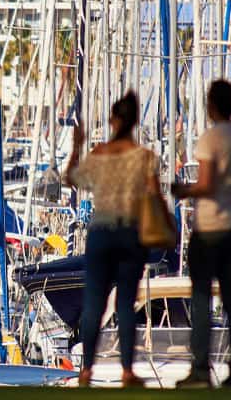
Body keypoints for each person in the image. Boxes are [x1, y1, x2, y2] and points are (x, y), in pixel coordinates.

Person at [64, 91, 160, 388]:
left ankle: (86, 370)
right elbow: (154, 198)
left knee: (94, 304)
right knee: (125, 305)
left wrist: (77, 146)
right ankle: (127, 371)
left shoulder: (100, 154)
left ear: (113, 120)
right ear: (133, 122)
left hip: (101, 231)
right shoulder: (145, 157)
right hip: (131, 233)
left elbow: (71, 179)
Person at [172, 79, 231, 389]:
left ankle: (201, 370)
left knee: (202, 298)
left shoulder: (211, 138)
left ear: (212, 105)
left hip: (208, 228)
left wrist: (181, 189)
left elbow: (205, 185)